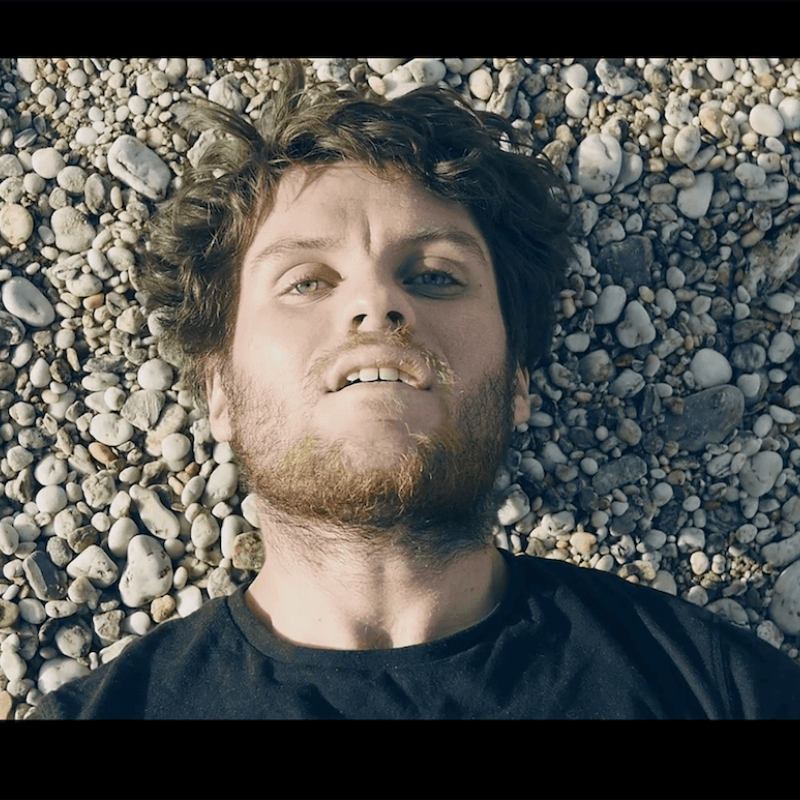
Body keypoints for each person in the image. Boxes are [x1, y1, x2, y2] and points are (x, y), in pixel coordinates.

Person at [31, 60, 800, 719]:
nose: (377, 303)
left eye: (434, 274)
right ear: (220, 392)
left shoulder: (715, 692)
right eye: (306, 281)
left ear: (519, 384)